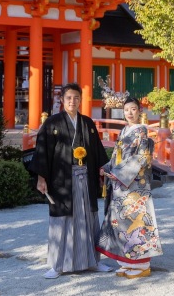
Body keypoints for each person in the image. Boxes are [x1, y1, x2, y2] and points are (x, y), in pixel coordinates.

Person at [29, 82, 113, 279]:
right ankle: (57, 265)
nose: (72, 101)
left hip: (86, 177)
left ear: (80, 100)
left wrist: (102, 171)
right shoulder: (52, 123)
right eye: (68, 98)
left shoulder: (88, 123)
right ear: (62, 100)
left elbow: (98, 152)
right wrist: (41, 178)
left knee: (88, 218)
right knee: (63, 219)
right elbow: (42, 152)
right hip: (62, 180)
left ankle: (93, 261)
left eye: (76, 98)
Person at [96, 96, 162, 279]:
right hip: (120, 184)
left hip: (134, 185)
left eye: (133, 109)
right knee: (122, 224)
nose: (130, 113)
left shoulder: (141, 131)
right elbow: (117, 155)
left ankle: (142, 265)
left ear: (140, 111)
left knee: (136, 224)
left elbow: (140, 157)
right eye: (126, 110)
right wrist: (107, 168)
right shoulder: (125, 130)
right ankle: (126, 263)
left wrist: (118, 173)